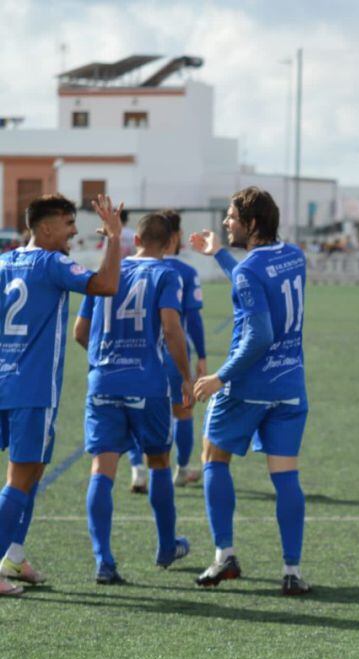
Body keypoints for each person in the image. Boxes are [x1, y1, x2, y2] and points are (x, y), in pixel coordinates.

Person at [188, 187, 310, 596]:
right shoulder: (294, 255)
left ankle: (225, 555)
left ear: (252, 224)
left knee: (212, 457)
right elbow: (256, 280)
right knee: (286, 476)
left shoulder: (248, 271)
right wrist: (219, 253)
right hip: (290, 385)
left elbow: (259, 334)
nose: (226, 223)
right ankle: (292, 570)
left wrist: (220, 377)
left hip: (248, 387)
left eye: (231, 218)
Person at [0, 194, 123, 596]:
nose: (73, 233)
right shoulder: (51, 263)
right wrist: (115, 238)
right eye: (69, 225)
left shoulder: (5, 262)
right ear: (47, 228)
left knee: (30, 473)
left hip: (5, 382)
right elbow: (105, 284)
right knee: (21, 480)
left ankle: (14, 557)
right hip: (32, 389)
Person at [74, 213, 195, 584]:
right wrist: (186, 376)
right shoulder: (166, 274)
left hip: (103, 383)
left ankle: (104, 561)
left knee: (102, 469)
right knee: (159, 460)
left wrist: (104, 361)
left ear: (137, 238)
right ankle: (165, 547)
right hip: (147, 384)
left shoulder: (109, 269)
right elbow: (172, 329)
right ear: (171, 241)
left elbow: (81, 332)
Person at [127, 210, 207, 492]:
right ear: (175, 237)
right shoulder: (183, 272)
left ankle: (137, 469)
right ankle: (181, 469)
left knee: (136, 412)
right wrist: (202, 357)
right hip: (173, 354)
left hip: (138, 354)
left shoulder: (127, 267)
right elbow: (192, 320)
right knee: (183, 411)